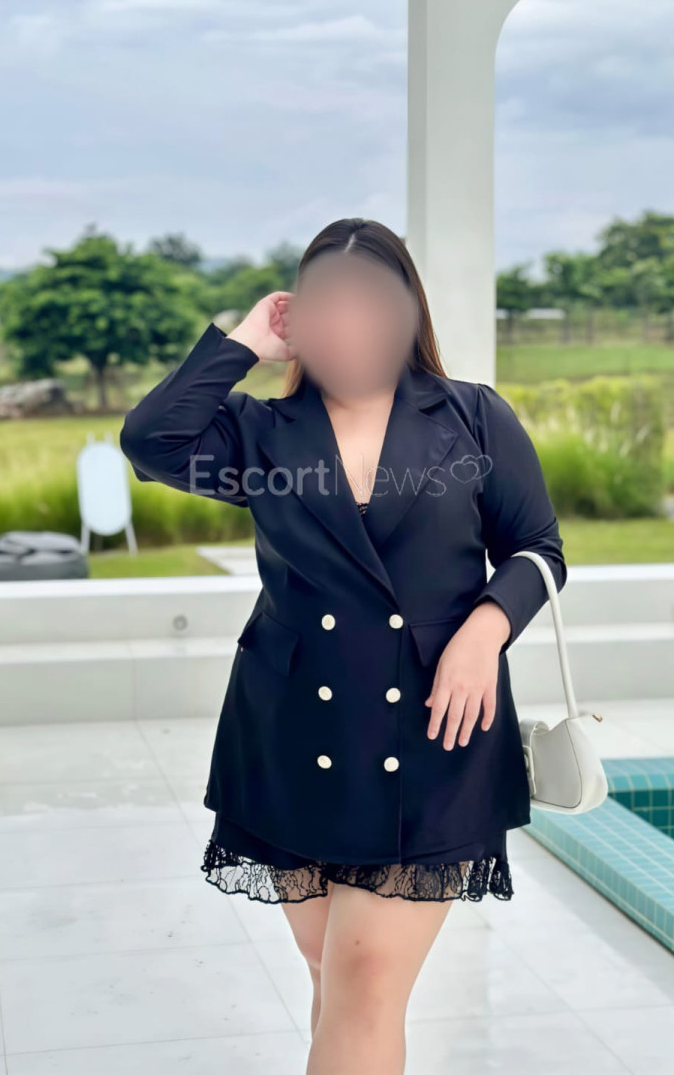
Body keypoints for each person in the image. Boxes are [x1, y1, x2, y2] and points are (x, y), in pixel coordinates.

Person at [119, 218, 567, 1075]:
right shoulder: (259, 432)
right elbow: (151, 441)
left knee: (362, 985)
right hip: (294, 732)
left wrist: (484, 629)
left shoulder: (471, 416)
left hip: (434, 731)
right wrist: (244, 340)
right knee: (333, 976)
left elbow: (537, 550)